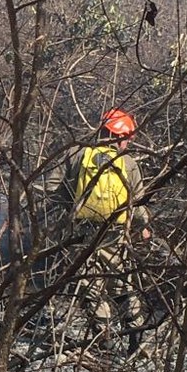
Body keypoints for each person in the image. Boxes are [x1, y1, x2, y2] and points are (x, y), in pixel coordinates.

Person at [46, 108, 151, 353]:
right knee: (121, 283)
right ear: (120, 136)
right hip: (115, 233)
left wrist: (71, 206)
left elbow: (51, 190)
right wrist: (143, 227)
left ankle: (102, 340)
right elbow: (138, 203)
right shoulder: (128, 163)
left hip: (82, 232)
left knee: (90, 286)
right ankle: (136, 338)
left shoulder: (77, 153)